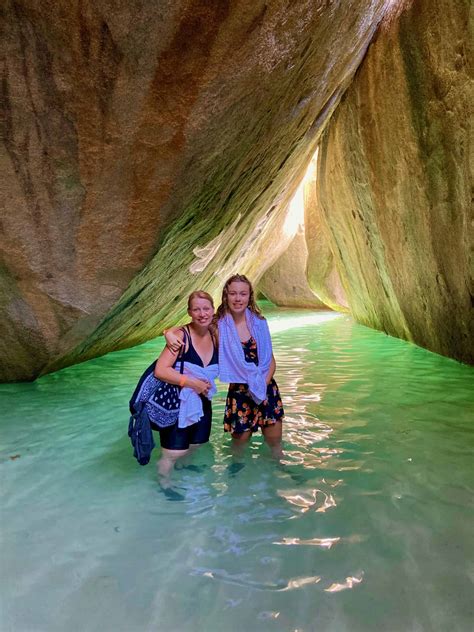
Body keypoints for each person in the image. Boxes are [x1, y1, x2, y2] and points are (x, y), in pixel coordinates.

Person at [166, 274, 284, 458]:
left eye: (243, 294)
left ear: (249, 296)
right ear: (226, 296)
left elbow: (271, 361)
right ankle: (237, 483)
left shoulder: (259, 323)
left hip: (266, 389)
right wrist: (168, 333)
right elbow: (189, 328)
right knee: (239, 452)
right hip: (239, 393)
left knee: (275, 445)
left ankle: (280, 474)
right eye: (233, 293)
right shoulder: (217, 324)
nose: (238, 299)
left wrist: (260, 386)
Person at [154, 291, 218, 488]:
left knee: (196, 444)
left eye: (206, 308)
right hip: (180, 401)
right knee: (173, 452)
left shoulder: (216, 334)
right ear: (189, 312)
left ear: (213, 310)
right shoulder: (181, 337)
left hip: (203, 400)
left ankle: (183, 468)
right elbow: (160, 370)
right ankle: (165, 484)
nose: (202, 313)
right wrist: (193, 383)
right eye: (196, 309)